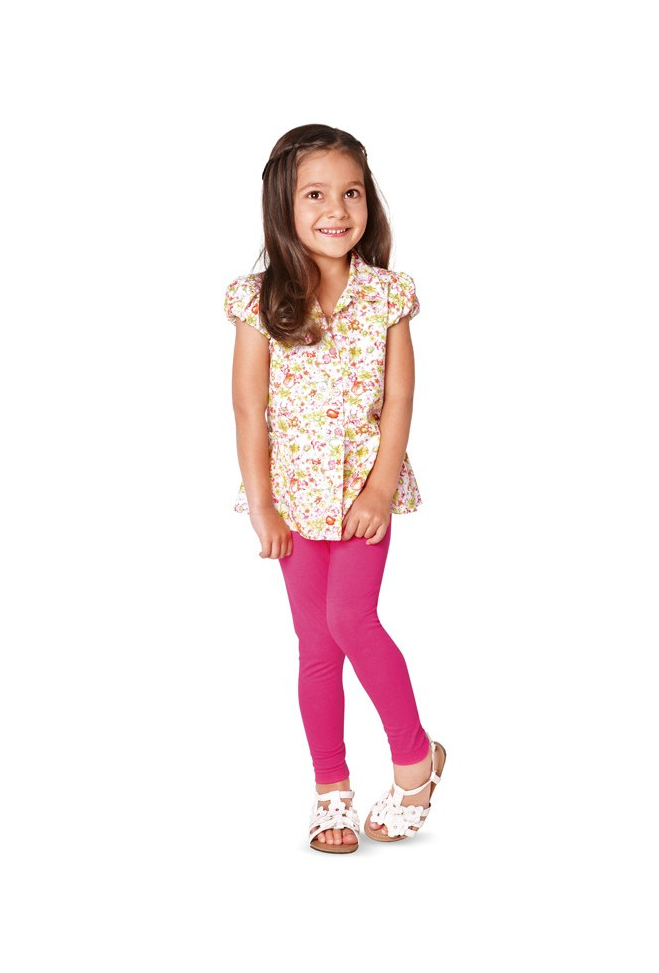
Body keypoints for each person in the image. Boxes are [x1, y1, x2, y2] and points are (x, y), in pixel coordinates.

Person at [224, 124, 446, 854]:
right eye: (315, 195)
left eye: (351, 193)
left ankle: (415, 763)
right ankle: (331, 792)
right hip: (294, 497)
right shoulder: (259, 300)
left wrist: (379, 490)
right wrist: (262, 504)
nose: (336, 210)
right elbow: (248, 407)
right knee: (316, 645)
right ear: (282, 207)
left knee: (353, 619)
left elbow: (400, 398)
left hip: (361, 496)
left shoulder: (386, 295)